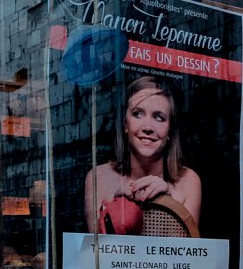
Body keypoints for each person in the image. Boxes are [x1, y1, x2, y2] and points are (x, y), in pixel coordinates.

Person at [84, 76, 201, 232]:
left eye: (159, 117)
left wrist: (166, 203)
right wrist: (115, 207)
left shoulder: (188, 181)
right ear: (125, 124)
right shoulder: (98, 178)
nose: (148, 127)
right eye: (138, 114)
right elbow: (98, 252)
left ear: (169, 130)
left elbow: (184, 253)